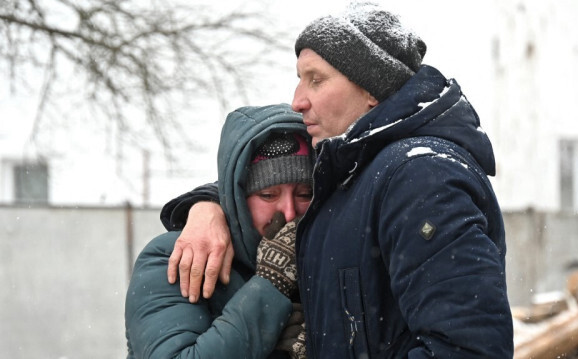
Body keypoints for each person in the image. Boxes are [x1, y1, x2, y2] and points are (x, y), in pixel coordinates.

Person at [161, 2, 514, 357]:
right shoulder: (355, 173)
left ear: (371, 89)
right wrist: (208, 208)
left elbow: (467, 348)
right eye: (299, 79)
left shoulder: (420, 175)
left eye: (316, 80)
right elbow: (255, 181)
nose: (297, 100)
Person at [125, 104, 310, 358]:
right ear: (238, 198)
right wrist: (271, 285)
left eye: (304, 194)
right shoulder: (177, 256)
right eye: (268, 195)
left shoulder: (327, 256)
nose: (289, 212)